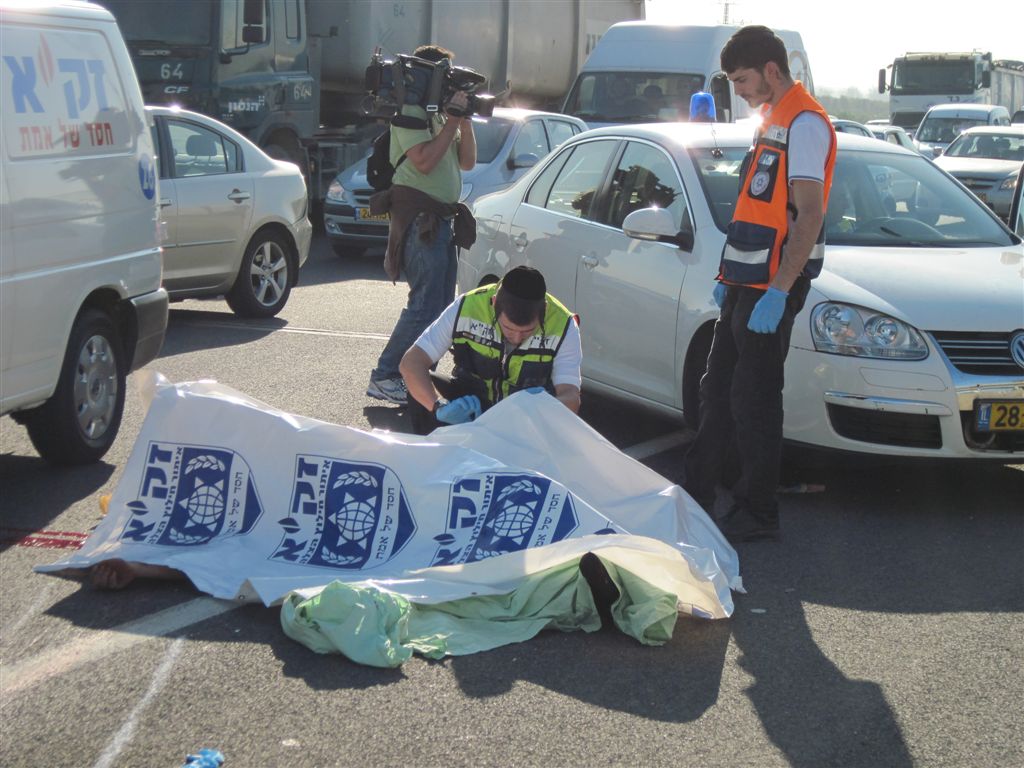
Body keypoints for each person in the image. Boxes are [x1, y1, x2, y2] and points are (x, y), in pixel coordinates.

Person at [681, 25, 836, 543]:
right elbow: (756, 209)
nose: (739, 91)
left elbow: (808, 216)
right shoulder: (771, 119)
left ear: (772, 69)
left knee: (754, 398)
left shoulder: (805, 123)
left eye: (743, 80)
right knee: (717, 389)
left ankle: (758, 510)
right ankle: (699, 491)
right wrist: (729, 278)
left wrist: (779, 289)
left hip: (774, 286)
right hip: (746, 281)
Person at [365, 44, 477, 406]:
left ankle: (415, 375)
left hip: (442, 220)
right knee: (425, 302)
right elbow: (425, 161)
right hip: (420, 220)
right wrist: (452, 122)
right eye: (445, 73)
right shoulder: (409, 114)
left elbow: (468, 162)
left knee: (443, 305)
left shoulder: (441, 116)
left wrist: (463, 120)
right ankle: (386, 375)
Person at [399, 266, 581, 434]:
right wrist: (439, 407)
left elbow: (570, 396)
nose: (517, 338)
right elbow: (411, 363)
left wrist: (538, 414)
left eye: (527, 331)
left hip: (524, 420)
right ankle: (436, 455)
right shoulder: (467, 306)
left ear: (545, 310)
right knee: (421, 384)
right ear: (494, 303)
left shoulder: (564, 325)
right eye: (508, 328)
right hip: (473, 405)